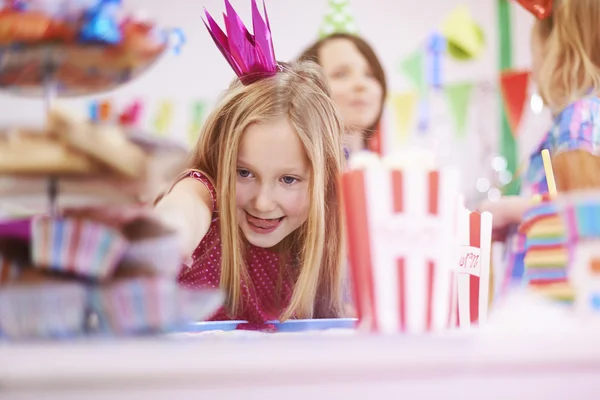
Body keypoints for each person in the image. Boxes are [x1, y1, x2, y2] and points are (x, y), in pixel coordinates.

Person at [155, 0, 346, 324]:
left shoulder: (322, 234)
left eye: (289, 180)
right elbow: (184, 209)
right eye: (244, 173)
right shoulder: (205, 191)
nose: (262, 202)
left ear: (322, 180)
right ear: (220, 159)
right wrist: (168, 237)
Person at [480, 0, 600, 278]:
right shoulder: (583, 117)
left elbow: (586, 212)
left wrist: (508, 210)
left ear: (554, 44)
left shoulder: (579, 117)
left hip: (555, 299)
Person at [298, 33, 387, 156]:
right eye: (341, 74)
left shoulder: (393, 169)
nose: (361, 84)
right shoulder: (296, 169)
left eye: (369, 74)